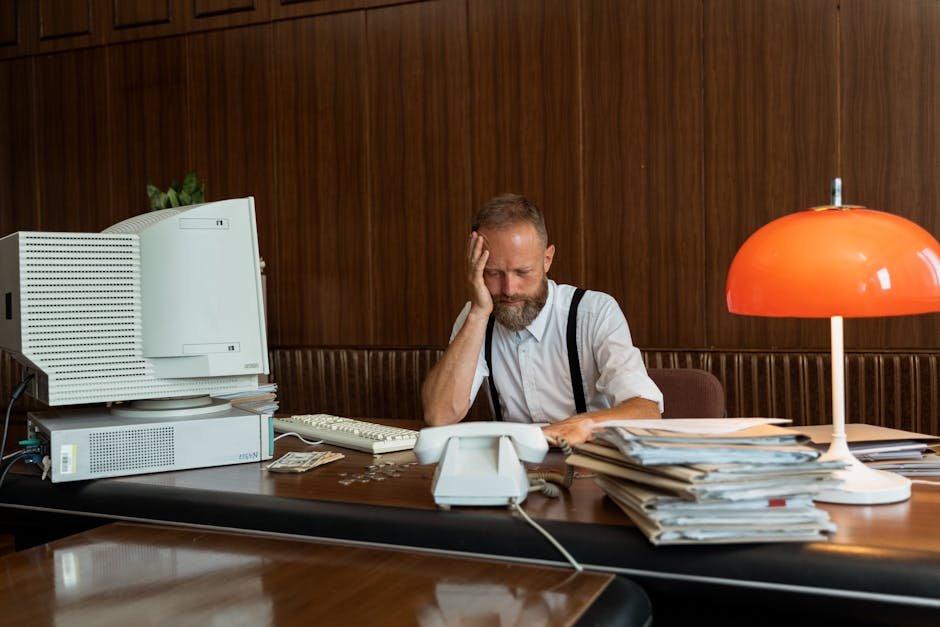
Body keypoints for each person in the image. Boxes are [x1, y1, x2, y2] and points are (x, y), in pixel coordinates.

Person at [422, 193, 662, 446]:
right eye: (493, 273)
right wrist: (478, 313)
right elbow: (439, 415)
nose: (509, 289)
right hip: (512, 469)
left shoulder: (595, 312)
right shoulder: (476, 317)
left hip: (589, 467)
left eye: (522, 272)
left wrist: (570, 428)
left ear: (547, 260)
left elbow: (646, 412)